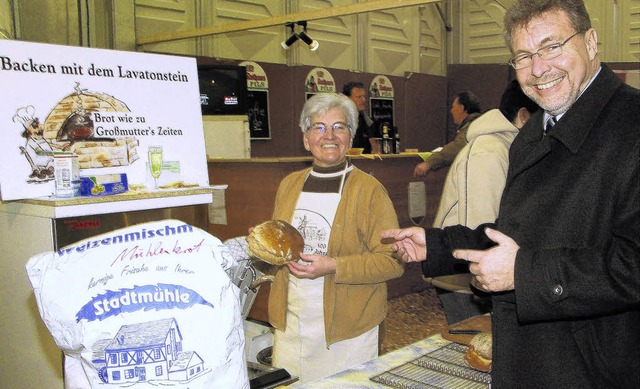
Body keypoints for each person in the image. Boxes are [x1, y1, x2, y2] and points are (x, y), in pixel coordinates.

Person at [382, 0, 639, 387]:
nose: (538, 69)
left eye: (552, 46)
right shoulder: (533, 134)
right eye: (523, 56)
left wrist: (523, 273)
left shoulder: (632, 126)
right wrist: (438, 244)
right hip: (529, 359)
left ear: (590, 42)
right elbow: (517, 234)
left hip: (597, 370)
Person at [261, 92, 403, 383]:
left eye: (339, 127)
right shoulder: (289, 185)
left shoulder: (369, 191)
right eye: (319, 127)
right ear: (305, 139)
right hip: (292, 323)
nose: (329, 135)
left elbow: (392, 262)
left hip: (347, 330)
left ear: (350, 139)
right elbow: (281, 245)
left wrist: (334, 266)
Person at [433, 79, 539, 324]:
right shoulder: (488, 151)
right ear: (524, 116)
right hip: (465, 280)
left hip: (489, 276)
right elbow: (479, 228)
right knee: (475, 350)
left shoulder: (510, 147)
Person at [413, 91, 481, 177]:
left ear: (461, 108)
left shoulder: (471, 128)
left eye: (453, 107)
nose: (451, 111)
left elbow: (458, 146)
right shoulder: (479, 124)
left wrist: (429, 163)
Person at [342, 81, 380, 154]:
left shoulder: (367, 121)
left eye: (364, 96)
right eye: (359, 97)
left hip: (365, 163)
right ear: (347, 99)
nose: (363, 100)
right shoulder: (340, 120)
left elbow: (375, 148)